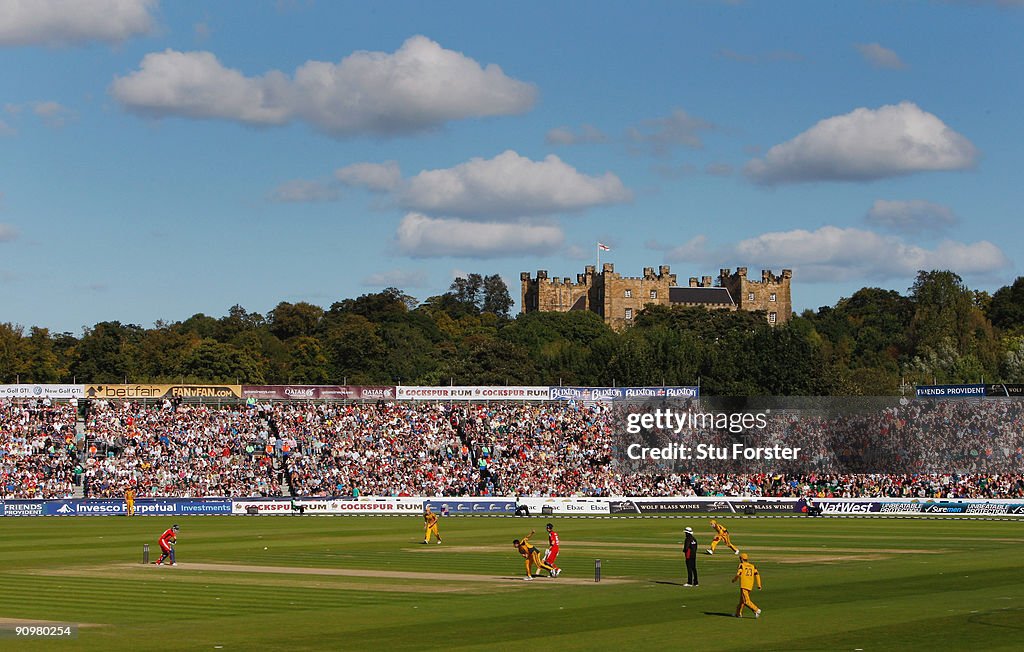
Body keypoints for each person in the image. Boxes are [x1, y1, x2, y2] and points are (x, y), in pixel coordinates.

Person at [732, 552, 762, 618]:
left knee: (746, 601)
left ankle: (756, 609)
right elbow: (757, 575)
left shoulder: (741, 565)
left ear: (741, 559)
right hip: (750, 585)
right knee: (742, 601)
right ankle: (738, 613)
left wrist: (734, 580)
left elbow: (738, 574)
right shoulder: (753, 566)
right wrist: (759, 585)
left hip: (744, 585)